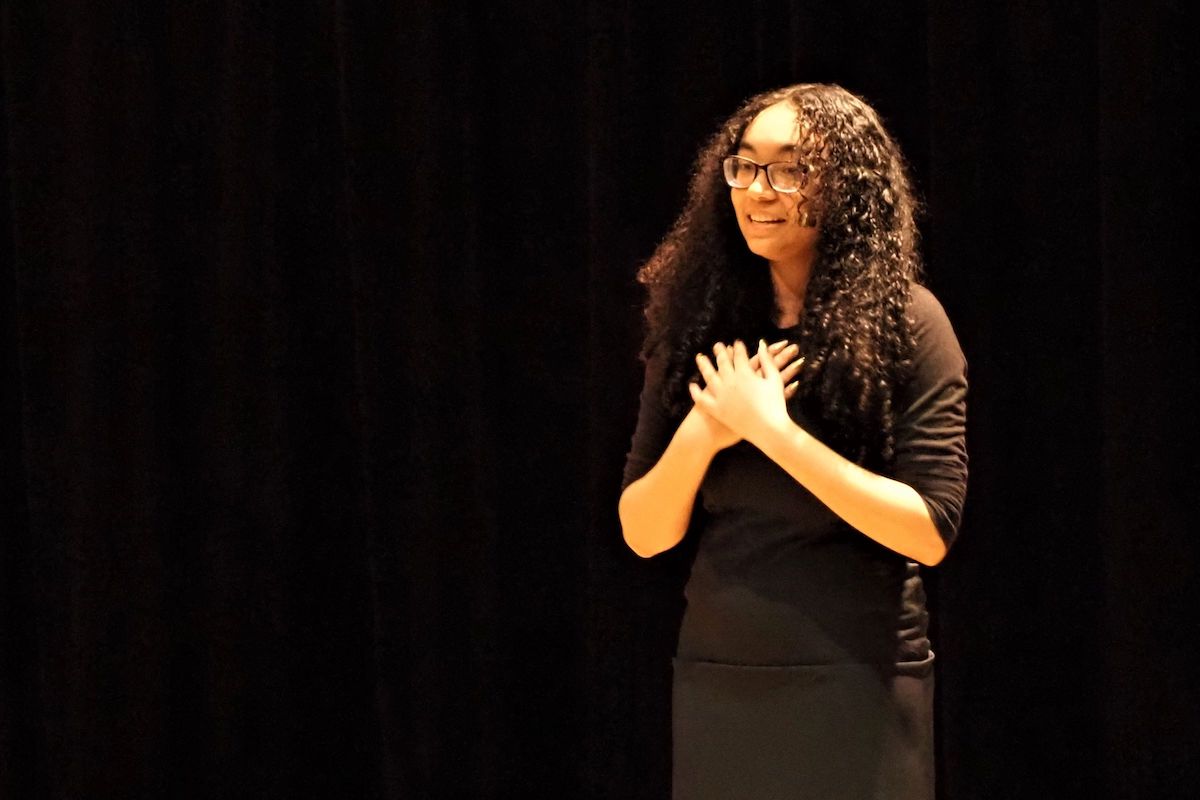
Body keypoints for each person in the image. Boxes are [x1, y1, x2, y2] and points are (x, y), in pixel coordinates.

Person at [618, 83, 968, 799]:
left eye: (788, 168)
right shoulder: (700, 324)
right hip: (722, 676)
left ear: (847, 187)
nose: (758, 190)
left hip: (858, 681)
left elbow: (928, 533)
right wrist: (705, 430)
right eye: (743, 166)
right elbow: (643, 533)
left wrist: (774, 434)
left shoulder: (911, 323)